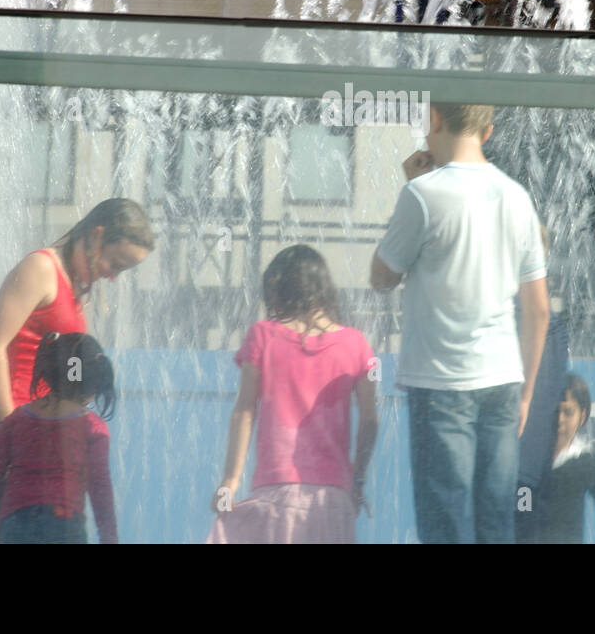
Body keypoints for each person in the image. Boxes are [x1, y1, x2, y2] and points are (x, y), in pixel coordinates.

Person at [371, 102, 550, 544]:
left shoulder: (421, 194)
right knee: (495, 524)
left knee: (444, 523)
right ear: (487, 132)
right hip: (503, 382)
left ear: (434, 120)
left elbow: (380, 278)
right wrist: (525, 395)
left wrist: (412, 186)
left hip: (440, 383)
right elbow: (539, 309)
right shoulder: (517, 196)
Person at [0, 198, 154, 540]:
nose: (113, 275)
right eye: (116, 262)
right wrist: (13, 436)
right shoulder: (41, 269)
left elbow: (69, 382)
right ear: (97, 235)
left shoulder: (77, 292)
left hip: (36, 451)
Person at [208, 245, 378, 544]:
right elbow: (370, 420)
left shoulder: (263, 336)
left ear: (280, 288)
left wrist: (230, 481)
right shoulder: (357, 344)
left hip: (277, 493)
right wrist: (357, 479)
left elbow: (245, 410)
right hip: (334, 501)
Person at [0, 332, 119, 543]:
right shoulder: (92, 428)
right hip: (64, 522)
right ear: (93, 382)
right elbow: (100, 487)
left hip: (15, 523)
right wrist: (110, 538)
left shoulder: (16, 421)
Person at [520, 374, 595, 544]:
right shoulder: (525, 459)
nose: (560, 419)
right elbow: (518, 509)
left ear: (581, 417)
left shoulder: (584, 462)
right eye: (555, 411)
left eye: (568, 412)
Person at [515, 223, 572, 541]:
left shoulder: (503, 315)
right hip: (533, 472)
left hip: (509, 468)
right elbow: (553, 397)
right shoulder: (554, 325)